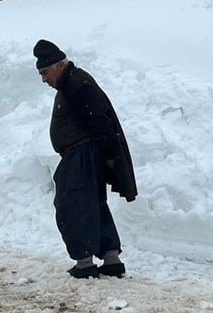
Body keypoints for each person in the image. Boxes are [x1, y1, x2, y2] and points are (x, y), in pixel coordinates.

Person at [34, 39, 137, 279]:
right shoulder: (73, 81)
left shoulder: (76, 83)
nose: (44, 79)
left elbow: (101, 120)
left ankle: (84, 262)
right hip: (84, 155)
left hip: (81, 155)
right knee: (92, 204)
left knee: (72, 205)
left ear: (60, 65)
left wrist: (109, 156)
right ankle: (110, 258)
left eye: (45, 72)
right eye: (40, 74)